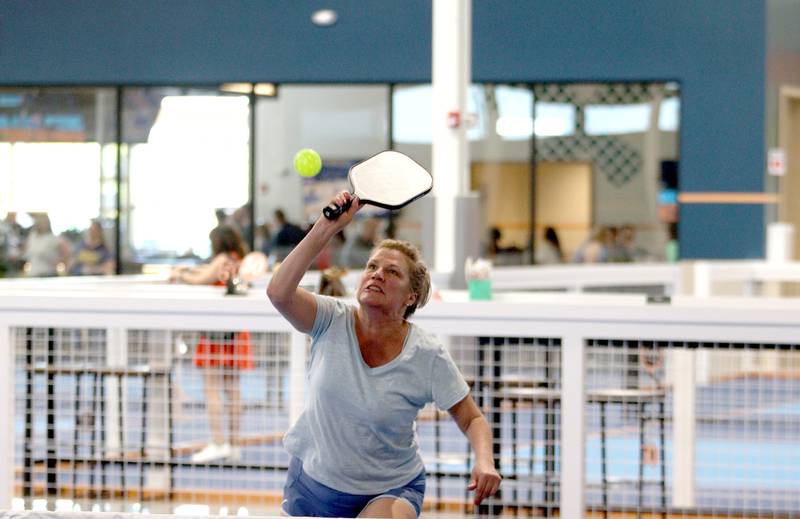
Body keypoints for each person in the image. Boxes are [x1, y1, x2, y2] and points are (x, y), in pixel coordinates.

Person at [267, 191, 501, 518]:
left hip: (389, 489)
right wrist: (326, 226)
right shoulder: (329, 319)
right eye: (372, 266)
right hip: (313, 486)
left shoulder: (426, 354)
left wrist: (484, 460)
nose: (377, 274)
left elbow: (472, 417)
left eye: (392, 272)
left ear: (411, 297)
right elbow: (278, 292)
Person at [171, 225, 254, 462]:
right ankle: (234, 445)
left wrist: (180, 275)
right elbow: (208, 272)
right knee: (232, 388)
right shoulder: (240, 260)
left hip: (217, 332)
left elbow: (203, 279)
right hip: (235, 330)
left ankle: (218, 442)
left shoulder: (222, 259)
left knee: (212, 387)